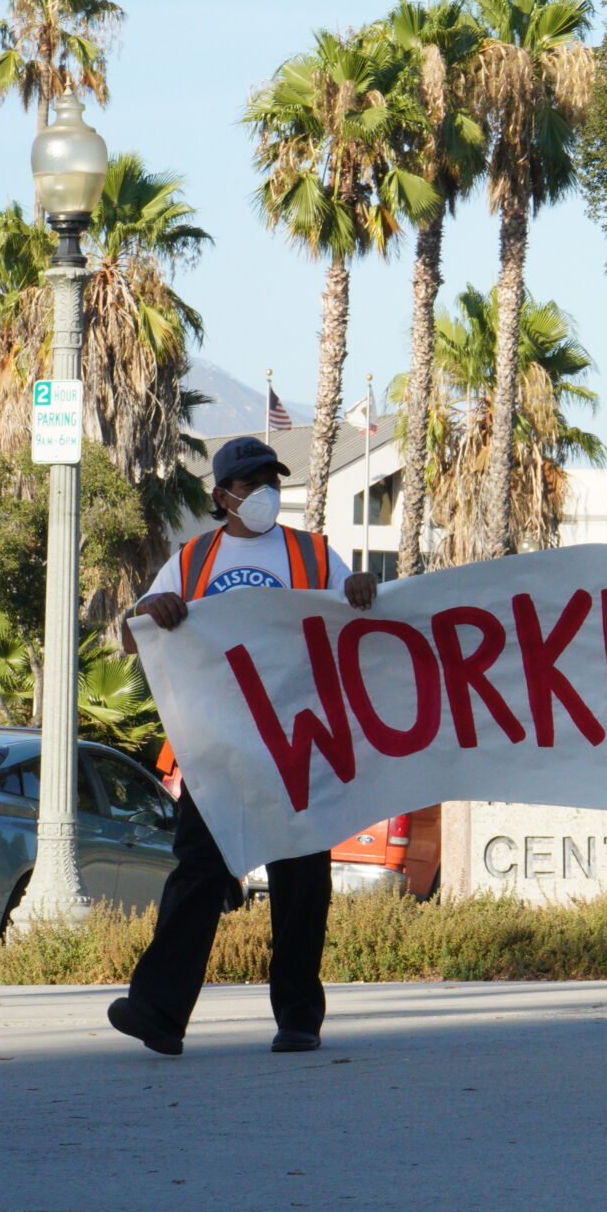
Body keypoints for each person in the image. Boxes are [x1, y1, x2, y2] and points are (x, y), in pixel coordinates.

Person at [106, 437, 379, 1057]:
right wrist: (150, 609)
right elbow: (131, 638)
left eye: (271, 482)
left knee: (300, 876)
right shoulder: (191, 561)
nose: (265, 494)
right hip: (219, 742)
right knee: (198, 871)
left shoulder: (312, 554)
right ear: (222, 495)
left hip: (296, 737)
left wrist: (363, 590)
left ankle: (299, 1019)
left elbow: (359, 617)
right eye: (251, 483)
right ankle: (158, 1012)